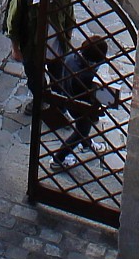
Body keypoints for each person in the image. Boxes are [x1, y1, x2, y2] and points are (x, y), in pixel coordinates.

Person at [47, 34, 113, 169]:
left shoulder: (71, 57)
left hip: (68, 97)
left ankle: (86, 144)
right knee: (81, 131)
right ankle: (58, 159)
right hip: (80, 108)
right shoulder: (86, 75)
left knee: (83, 128)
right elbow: (90, 97)